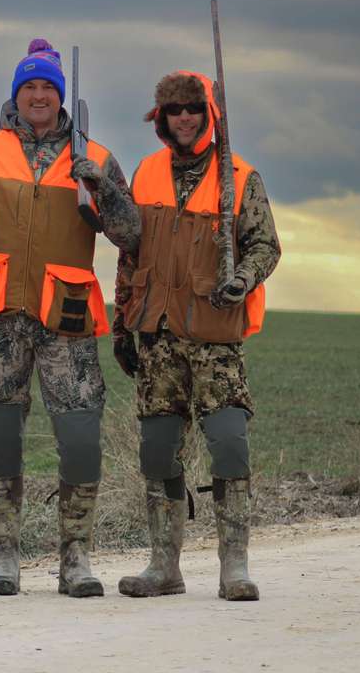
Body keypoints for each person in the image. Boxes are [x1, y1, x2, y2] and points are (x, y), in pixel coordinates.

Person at [0, 39, 140, 597]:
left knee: (81, 437)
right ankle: (5, 556)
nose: (38, 95)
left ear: (61, 97)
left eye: (48, 87)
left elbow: (130, 234)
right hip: (0, 319)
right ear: (16, 94)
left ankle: (76, 556)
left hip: (67, 318)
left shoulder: (97, 158)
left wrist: (103, 187)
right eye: (29, 86)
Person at [113, 70, 281, 601]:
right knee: (159, 452)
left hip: (217, 334)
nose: (183, 117)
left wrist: (243, 278)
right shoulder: (146, 172)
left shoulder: (240, 175)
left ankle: (235, 568)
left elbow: (265, 246)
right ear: (161, 118)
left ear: (210, 115)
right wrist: (123, 323)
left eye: (193, 108)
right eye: (174, 109)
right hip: (158, 338)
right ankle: (164, 566)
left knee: (229, 446)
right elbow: (130, 255)